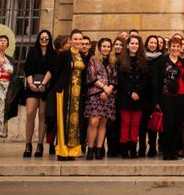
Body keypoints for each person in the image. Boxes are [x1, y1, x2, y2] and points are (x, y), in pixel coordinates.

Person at [153, 35, 184, 160]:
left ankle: (174, 151)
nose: (176, 48)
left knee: (178, 124)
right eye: (173, 46)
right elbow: (156, 82)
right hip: (166, 97)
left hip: (181, 98)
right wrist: (156, 101)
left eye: (178, 46)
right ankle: (166, 152)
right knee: (168, 123)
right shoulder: (162, 62)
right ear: (169, 47)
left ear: (181, 48)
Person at [48, 29, 85, 161]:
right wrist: (59, 88)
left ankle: (73, 150)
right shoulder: (64, 55)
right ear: (71, 40)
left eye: (80, 39)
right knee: (63, 121)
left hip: (78, 94)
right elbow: (55, 72)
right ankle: (62, 151)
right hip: (64, 92)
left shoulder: (83, 56)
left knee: (75, 122)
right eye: (75, 39)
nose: (78, 41)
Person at [23, 29, 55, 158]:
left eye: (47, 38)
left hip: (45, 87)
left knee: (43, 115)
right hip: (32, 86)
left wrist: (43, 84)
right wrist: (31, 83)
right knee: (30, 113)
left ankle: (40, 145)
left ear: (49, 40)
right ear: (38, 39)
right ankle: (28, 144)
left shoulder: (53, 53)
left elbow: (52, 69)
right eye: (42, 38)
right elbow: (27, 68)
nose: (44, 40)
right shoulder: (32, 52)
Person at [84, 37, 117, 160]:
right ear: (99, 47)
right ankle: (90, 149)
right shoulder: (93, 61)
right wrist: (104, 88)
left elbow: (115, 79)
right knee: (94, 122)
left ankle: (99, 149)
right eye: (104, 46)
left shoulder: (113, 62)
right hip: (94, 95)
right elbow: (91, 77)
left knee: (103, 122)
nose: (106, 49)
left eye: (108, 46)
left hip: (108, 96)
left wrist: (108, 91)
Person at [117, 34, 149, 159]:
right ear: (127, 45)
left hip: (139, 97)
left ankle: (133, 150)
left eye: (136, 43)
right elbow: (121, 79)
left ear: (139, 46)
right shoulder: (121, 60)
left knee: (136, 123)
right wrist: (130, 92)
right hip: (125, 97)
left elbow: (146, 78)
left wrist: (138, 92)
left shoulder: (143, 60)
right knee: (125, 123)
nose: (134, 46)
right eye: (132, 43)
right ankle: (125, 150)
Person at [139, 35, 163, 157]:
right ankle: (142, 147)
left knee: (153, 123)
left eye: (155, 43)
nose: (152, 44)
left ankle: (153, 147)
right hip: (142, 95)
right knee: (142, 123)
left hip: (155, 95)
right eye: (150, 42)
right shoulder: (141, 57)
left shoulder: (161, 58)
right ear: (147, 43)